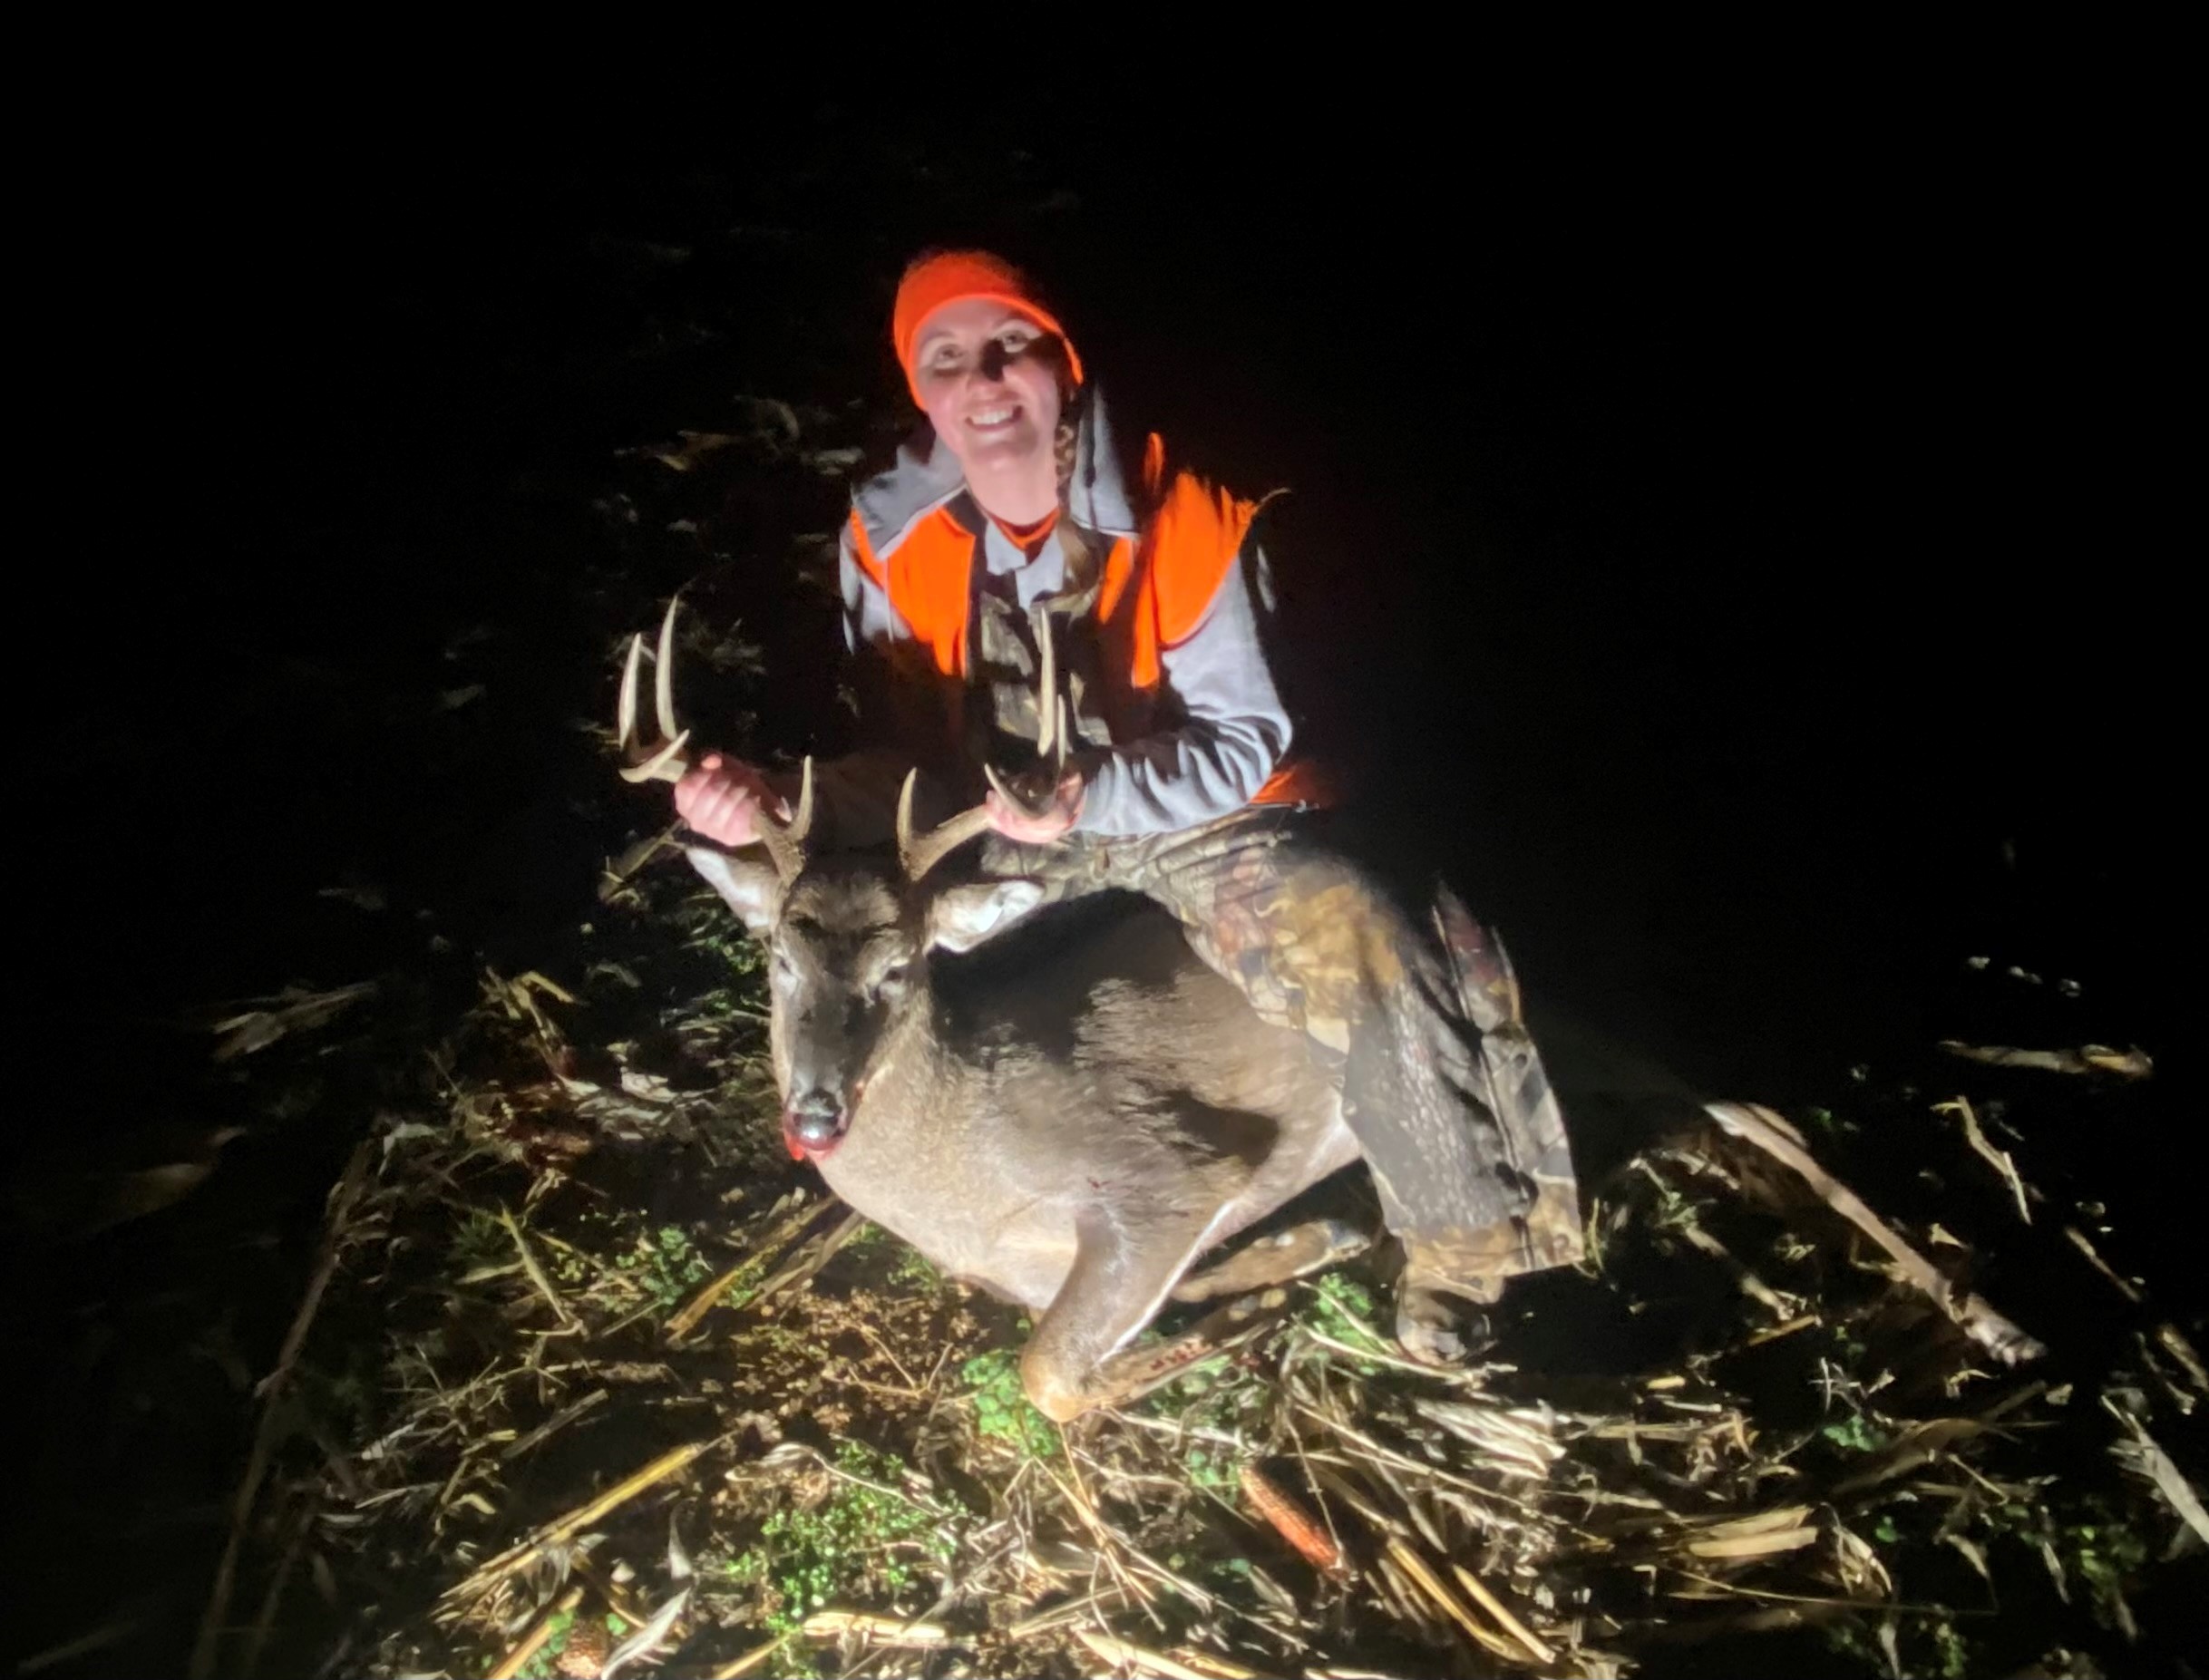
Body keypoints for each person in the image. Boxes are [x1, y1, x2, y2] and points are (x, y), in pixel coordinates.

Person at [674, 250, 1581, 1359]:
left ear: (1062, 363)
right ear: (923, 388)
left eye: (1013, 345)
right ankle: (1060, 1205)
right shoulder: (889, 535)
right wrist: (760, 801)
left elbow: (1248, 738)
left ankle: (1462, 1240)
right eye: (946, 357)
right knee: (845, 912)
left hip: (1197, 817)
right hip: (999, 820)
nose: (984, 379)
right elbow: (902, 753)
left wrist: (1095, 795)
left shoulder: (1180, 508)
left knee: (1355, 922)